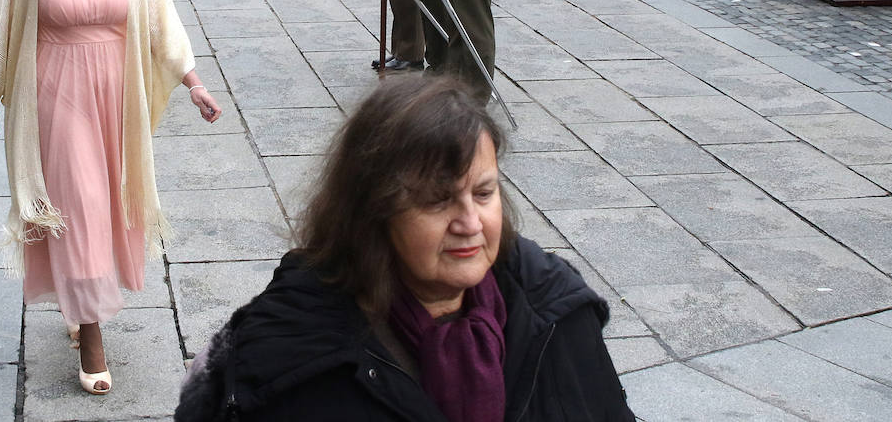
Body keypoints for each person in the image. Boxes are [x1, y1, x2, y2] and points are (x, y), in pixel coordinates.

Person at [175, 75, 636, 422]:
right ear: (374, 210)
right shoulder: (293, 358)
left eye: (483, 193)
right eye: (437, 200)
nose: (470, 224)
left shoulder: (556, 309)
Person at [0, 0, 221, 396]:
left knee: (106, 207)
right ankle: (92, 336)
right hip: (57, 98)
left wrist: (194, 83)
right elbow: (7, 34)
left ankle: (78, 299)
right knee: (79, 205)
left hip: (116, 99)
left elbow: (162, 23)